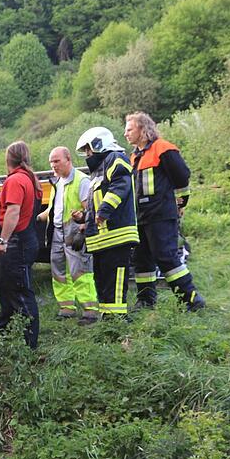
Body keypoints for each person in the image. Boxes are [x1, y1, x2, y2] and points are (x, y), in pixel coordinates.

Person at [124, 111, 205, 311]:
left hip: (160, 214)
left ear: (142, 129)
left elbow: (182, 176)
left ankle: (191, 300)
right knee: (141, 260)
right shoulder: (135, 156)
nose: (126, 134)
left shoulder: (163, 148)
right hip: (141, 217)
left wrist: (181, 204)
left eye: (129, 129)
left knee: (166, 256)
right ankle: (146, 301)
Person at [0, 141, 42, 349]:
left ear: (8, 158)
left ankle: (30, 345)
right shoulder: (30, 178)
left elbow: (13, 212)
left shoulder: (16, 180)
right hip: (25, 241)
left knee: (21, 293)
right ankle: (0, 334)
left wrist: (3, 240)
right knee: (7, 290)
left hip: (17, 244)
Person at [74, 127, 139, 320]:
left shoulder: (115, 158)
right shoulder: (97, 171)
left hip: (117, 236)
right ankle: (108, 318)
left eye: (88, 149)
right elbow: (97, 203)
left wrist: (104, 210)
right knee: (102, 281)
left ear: (99, 144)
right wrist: (84, 217)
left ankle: (117, 320)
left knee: (115, 281)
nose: (87, 154)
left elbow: (120, 186)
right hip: (102, 240)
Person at [37, 146, 99, 324]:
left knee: (80, 271)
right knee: (58, 271)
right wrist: (38, 217)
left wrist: (83, 229)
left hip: (74, 233)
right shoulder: (57, 181)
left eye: (57, 161)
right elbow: (54, 208)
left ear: (68, 160)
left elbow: (90, 211)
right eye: (51, 162)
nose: (53, 165)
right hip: (57, 232)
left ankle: (90, 311)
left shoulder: (81, 180)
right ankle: (67, 308)